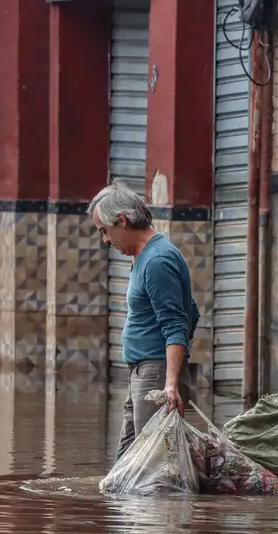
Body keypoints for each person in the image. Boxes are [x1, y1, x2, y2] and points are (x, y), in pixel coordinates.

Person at [89, 181, 200, 459]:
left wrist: (170, 382)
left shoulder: (156, 260)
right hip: (144, 372)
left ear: (122, 220)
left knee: (153, 468)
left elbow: (176, 323)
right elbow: (192, 311)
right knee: (126, 466)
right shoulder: (144, 257)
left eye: (104, 230)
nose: (105, 239)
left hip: (156, 375)